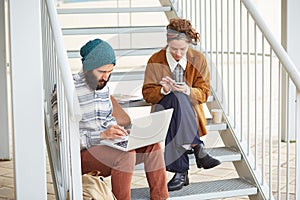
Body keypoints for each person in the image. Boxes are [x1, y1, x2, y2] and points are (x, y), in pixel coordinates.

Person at [74, 38, 169, 200]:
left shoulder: (103, 88)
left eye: (109, 71)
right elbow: (63, 139)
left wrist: (122, 133)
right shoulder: (69, 91)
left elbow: (106, 121)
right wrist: (101, 135)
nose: (105, 77)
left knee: (151, 145)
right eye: (101, 71)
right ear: (88, 68)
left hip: (106, 147)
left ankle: (161, 198)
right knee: (126, 155)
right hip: (82, 155)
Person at [142, 18, 221, 192]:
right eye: (174, 49)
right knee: (173, 99)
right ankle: (196, 145)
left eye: (182, 49)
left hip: (189, 113)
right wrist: (162, 91)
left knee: (179, 97)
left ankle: (180, 172)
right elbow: (147, 93)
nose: (178, 53)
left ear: (189, 44)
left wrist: (187, 90)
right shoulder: (155, 60)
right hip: (164, 110)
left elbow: (204, 92)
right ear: (168, 42)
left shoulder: (198, 59)